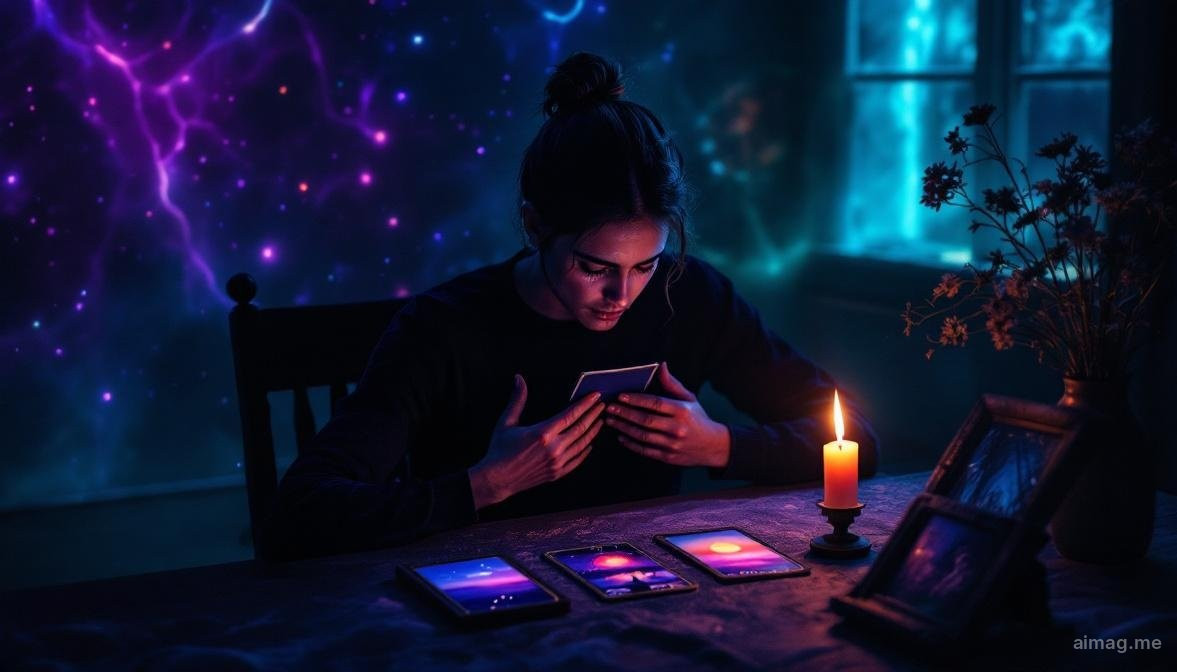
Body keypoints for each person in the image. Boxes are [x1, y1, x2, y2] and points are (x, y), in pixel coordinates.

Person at [264, 53, 878, 560]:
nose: (623, 296)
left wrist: (721, 447)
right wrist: (484, 485)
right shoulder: (443, 328)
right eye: (594, 267)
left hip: (647, 588)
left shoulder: (690, 294)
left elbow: (857, 443)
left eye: (645, 265)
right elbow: (303, 507)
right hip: (483, 601)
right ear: (534, 226)